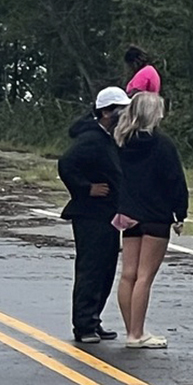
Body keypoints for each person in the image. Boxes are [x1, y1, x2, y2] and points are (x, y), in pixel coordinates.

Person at [113, 90, 187, 350]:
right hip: (156, 216)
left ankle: (130, 329)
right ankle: (137, 333)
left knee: (128, 275)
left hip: (129, 214)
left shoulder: (122, 142)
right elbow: (175, 181)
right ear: (155, 114)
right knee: (145, 276)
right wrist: (180, 213)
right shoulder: (162, 144)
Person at [59, 86, 129, 343]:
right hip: (90, 214)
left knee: (106, 268)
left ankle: (94, 319)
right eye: (121, 110)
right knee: (91, 268)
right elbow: (66, 164)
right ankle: (84, 325)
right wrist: (87, 188)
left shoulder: (107, 138)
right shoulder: (90, 139)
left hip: (107, 214)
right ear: (107, 113)